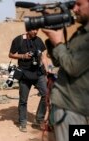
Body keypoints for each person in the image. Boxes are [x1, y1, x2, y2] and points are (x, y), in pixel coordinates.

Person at [42, 0, 89, 140]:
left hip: (73, 110)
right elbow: (60, 62)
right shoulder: (82, 33)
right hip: (72, 107)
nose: (74, 8)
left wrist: (58, 43)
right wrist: (54, 41)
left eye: (79, 4)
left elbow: (72, 67)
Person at [8, 29, 49, 132]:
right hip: (24, 73)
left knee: (46, 94)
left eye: (37, 29)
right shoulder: (19, 40)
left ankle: (39, 119)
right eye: (33, 29)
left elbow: (43, 57)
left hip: (38, 73)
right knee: (23, 100)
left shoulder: (39, 40)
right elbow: (11, 54)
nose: (35, 32)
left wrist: (47, 70)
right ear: (27, 29)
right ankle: (22, 122)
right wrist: (23, 56)